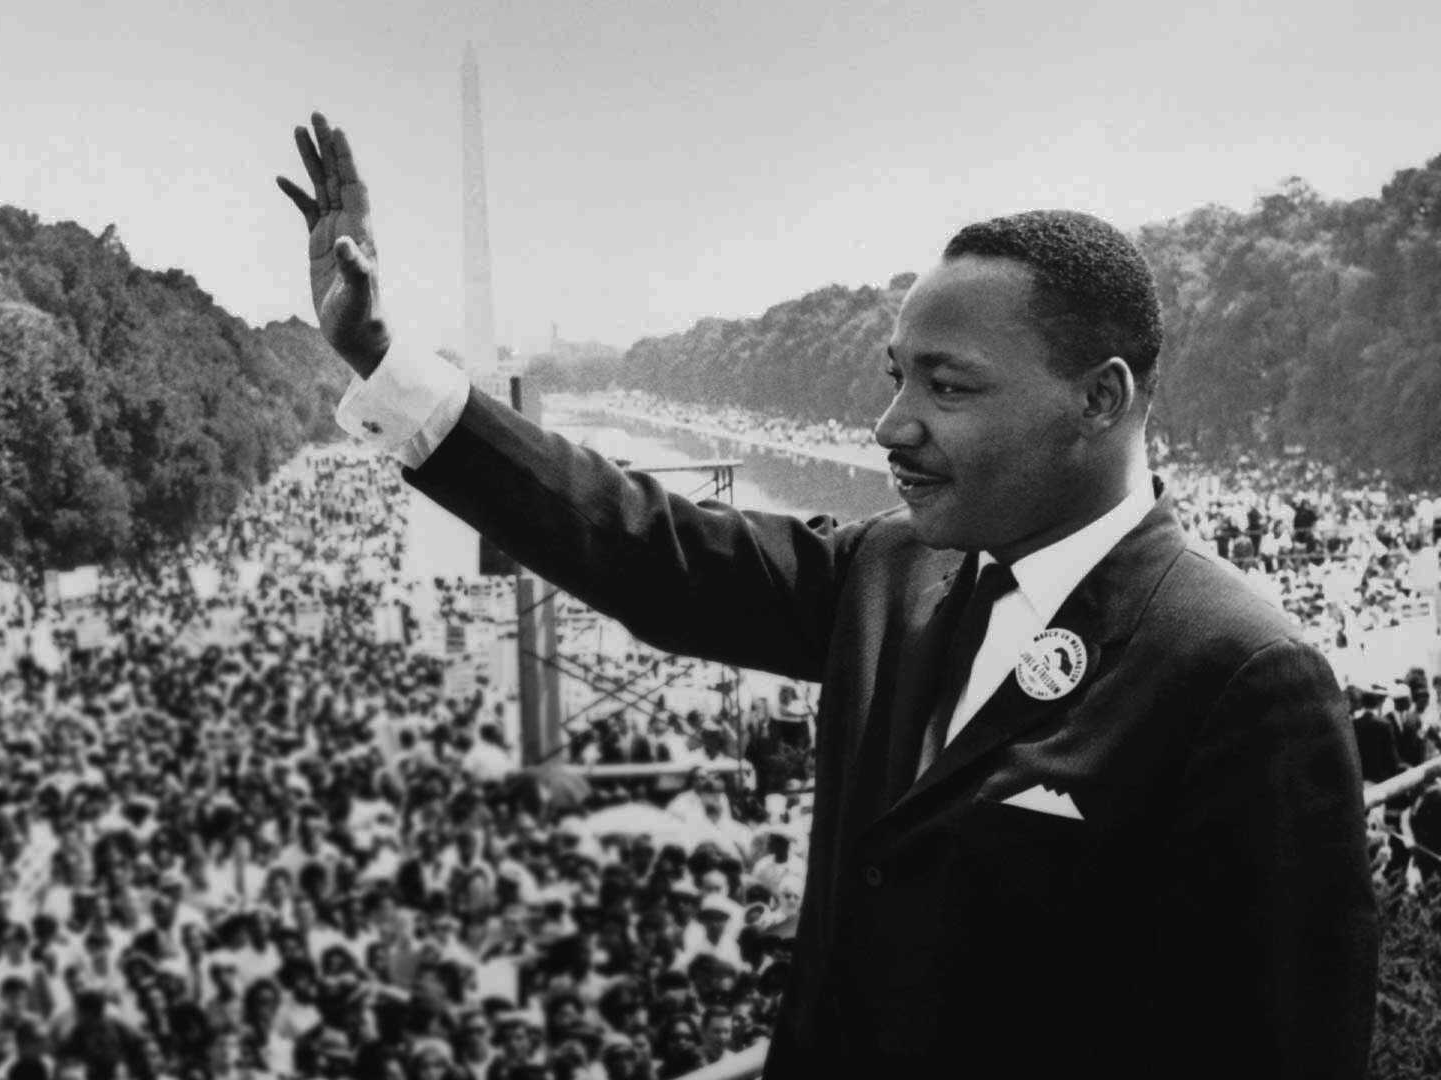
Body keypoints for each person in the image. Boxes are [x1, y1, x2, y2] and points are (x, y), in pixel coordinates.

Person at [275, 112, 1376, 1077]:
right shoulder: (888, 568)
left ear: (1100, 400)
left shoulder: (1242, 674)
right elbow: (641, 549)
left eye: (946, 386)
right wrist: (380, 356)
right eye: (894, 375)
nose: (891, 425)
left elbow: (1277, 1050)